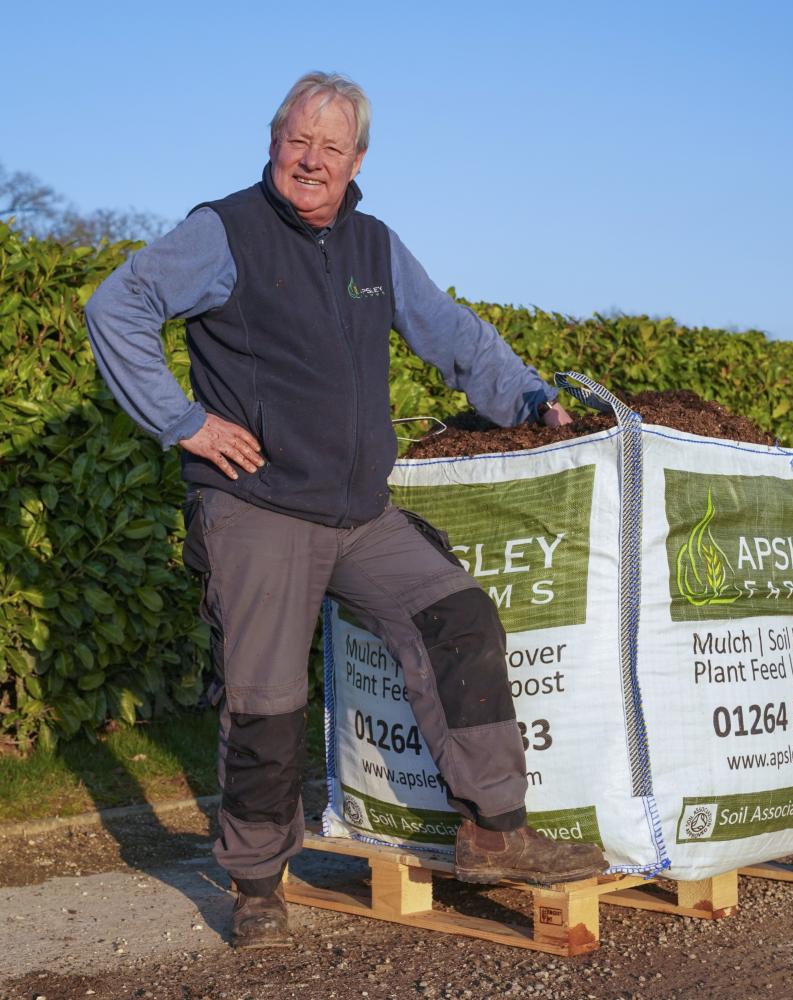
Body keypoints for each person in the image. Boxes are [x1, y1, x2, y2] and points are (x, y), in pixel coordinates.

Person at [85, 71, 606, 950]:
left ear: (357, 160)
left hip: (360, 514)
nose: (311, 159)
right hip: (257, 506)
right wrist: (184, 421)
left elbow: (452, 334)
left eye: (331, 147)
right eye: (298, 140)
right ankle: (258, 885)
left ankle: (494, 829)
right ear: (273, 142)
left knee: (460, 618)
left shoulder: (373, 246)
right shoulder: (225, 232)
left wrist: (528, 398)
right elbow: (117, 305)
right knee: (266, 699)